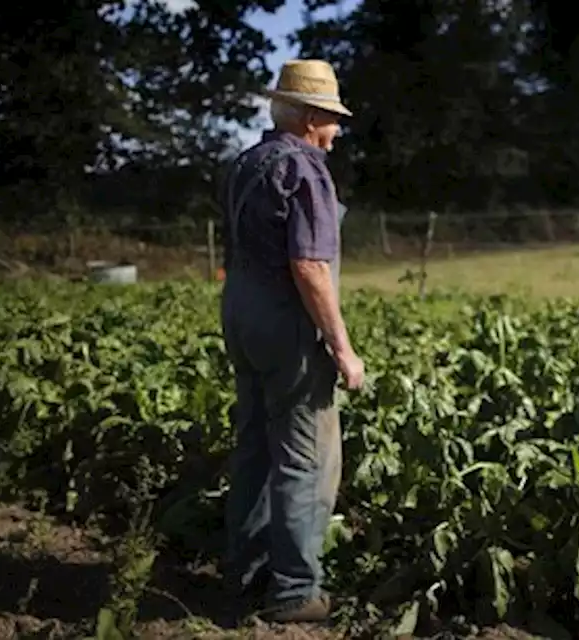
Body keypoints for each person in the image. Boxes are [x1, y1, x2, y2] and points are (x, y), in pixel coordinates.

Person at [217, 58, 365, 625]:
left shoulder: (247, 163)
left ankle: (245, 574)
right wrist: (343, 349)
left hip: (241, 312)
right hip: (287, 320)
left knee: (254, 443)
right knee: (307, 457)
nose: (335, 131)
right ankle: (296, 592)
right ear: (307, 118)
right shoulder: (306, 170)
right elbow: (309, 266)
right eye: (331, 119)